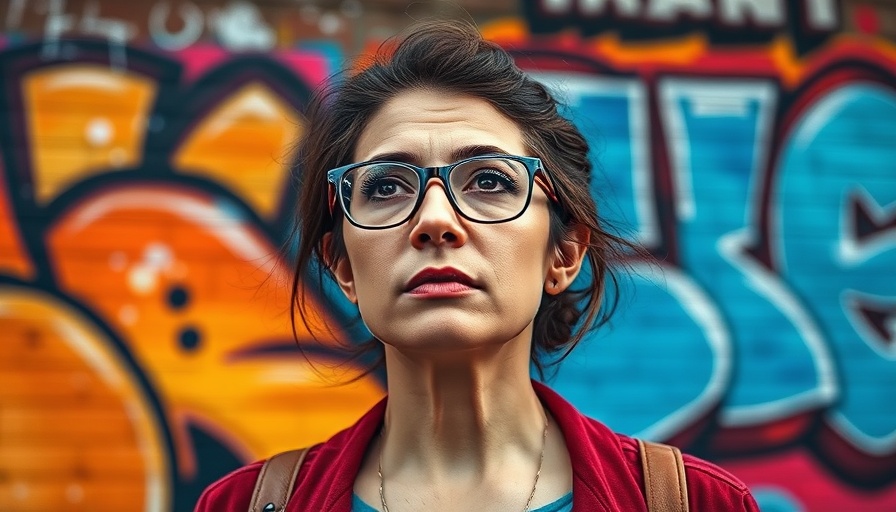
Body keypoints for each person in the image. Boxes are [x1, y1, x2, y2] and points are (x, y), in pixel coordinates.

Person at [195, 20, 759, 512]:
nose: (435, 220)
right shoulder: (242, 505)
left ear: (562, 254)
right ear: (342, 267)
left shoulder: (699, 504)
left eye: (489, 181)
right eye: (386, 186)